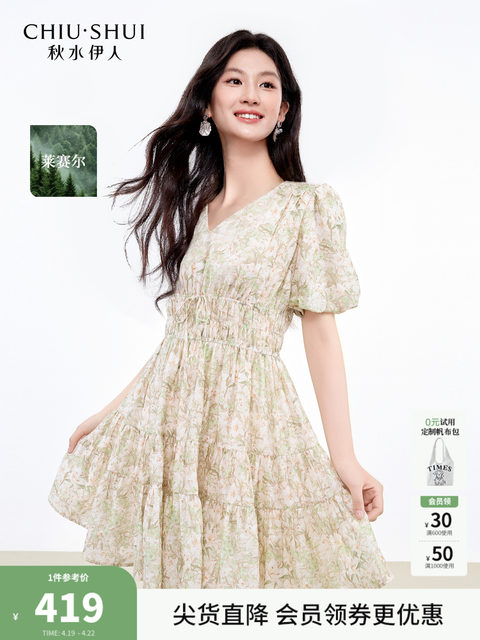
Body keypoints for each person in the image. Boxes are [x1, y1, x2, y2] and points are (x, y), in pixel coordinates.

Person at [48, 29, 394, 589]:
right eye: (235, 81)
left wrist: (345, 457)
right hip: (176, 429)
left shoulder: (305, 208)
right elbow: (182, 340)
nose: (251, 94)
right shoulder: (201, 209)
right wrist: (111, 412)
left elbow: (321, 335)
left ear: (284, 110)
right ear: (208, 103)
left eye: (267, 85)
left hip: (247, 427)